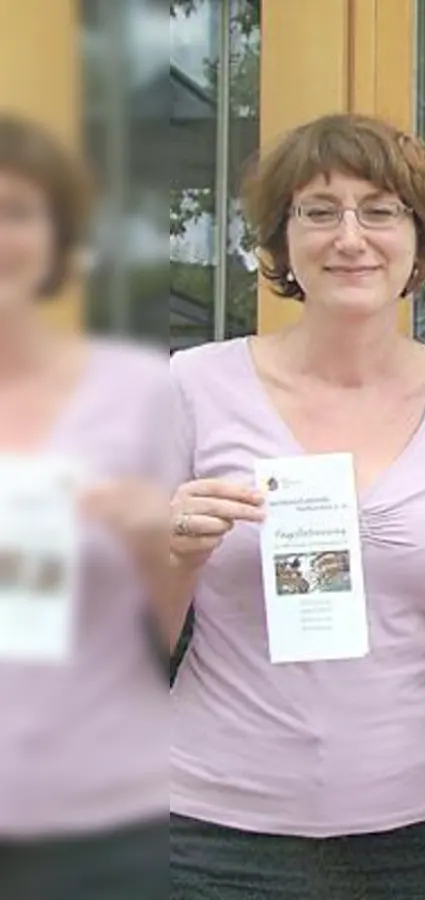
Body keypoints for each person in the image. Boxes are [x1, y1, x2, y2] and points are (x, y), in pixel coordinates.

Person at [164, 113, 425, 899]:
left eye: (380, 211)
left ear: (419, 244)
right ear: (281, 243)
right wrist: (172, 551)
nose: (349, 236)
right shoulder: (192, 387)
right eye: (318, 211)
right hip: (215, 832)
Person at [0, 113, 169, 900]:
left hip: (100, 827)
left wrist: (154, 541)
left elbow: (183, 633)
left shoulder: (135, 393)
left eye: (17, 212)